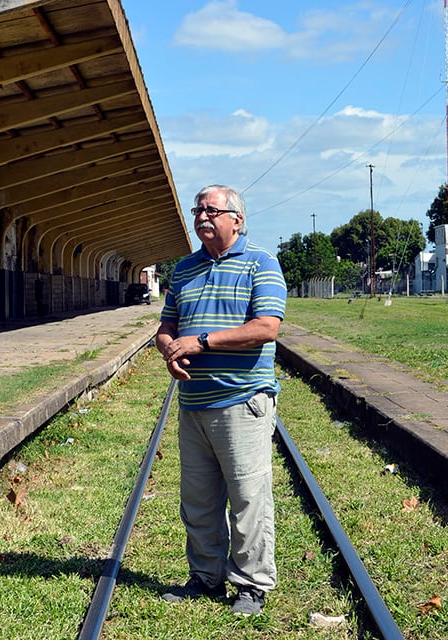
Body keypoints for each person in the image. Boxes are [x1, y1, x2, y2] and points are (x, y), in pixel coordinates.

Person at [155, 184, 287, 617]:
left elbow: (267, 327)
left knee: (248, 498)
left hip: (242, 400)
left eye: (211, 210)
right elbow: (167, 325)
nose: (202, 216)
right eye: (198, 210)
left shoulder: (261, 264)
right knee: (199, 499)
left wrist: (203, 342)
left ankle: (251, 584)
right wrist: (171, 350)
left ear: (237, 219)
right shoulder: (183, 268)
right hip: (194, 403)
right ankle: (206, 577)